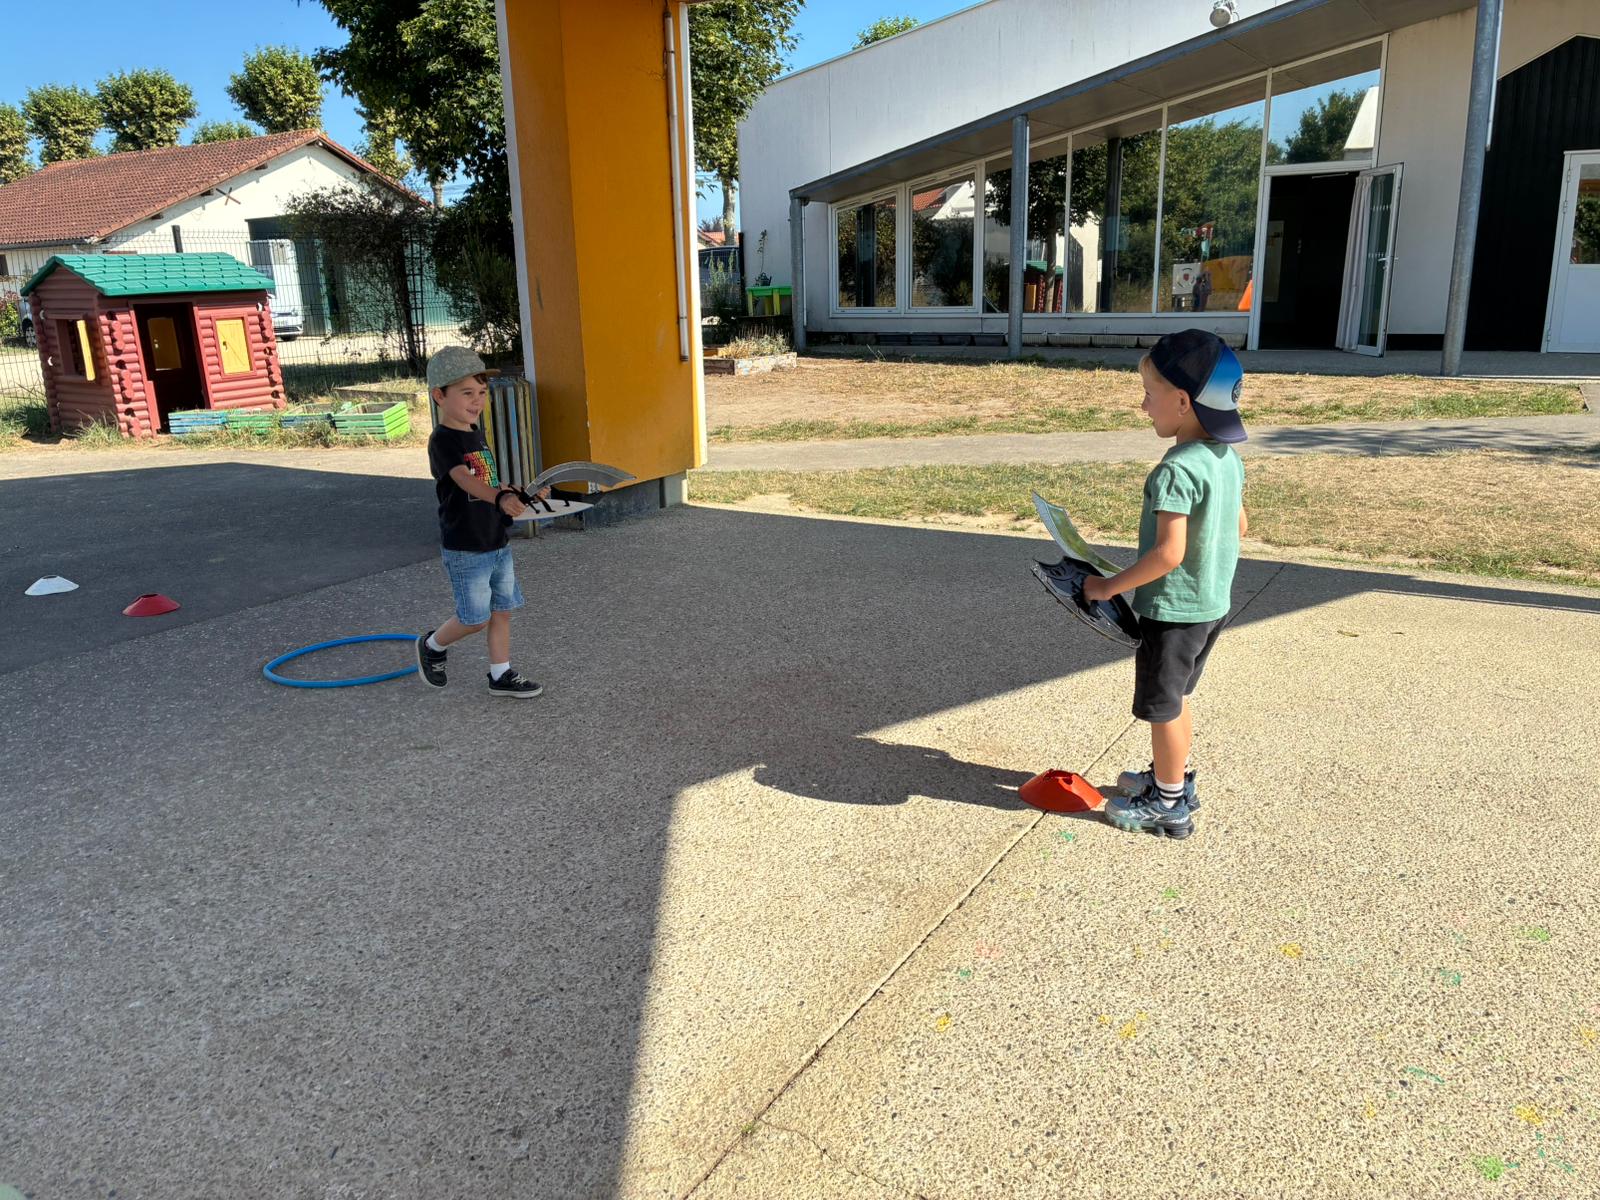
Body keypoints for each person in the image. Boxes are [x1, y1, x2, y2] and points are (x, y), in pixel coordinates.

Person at [1082, 330, 1248, 839]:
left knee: (1163, 707)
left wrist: (1108, 587)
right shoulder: (1227, 458)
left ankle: (1168, 804)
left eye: (1149, 394)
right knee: (1177, 699)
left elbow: (1168, 554)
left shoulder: (1176, 470)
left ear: (1181, 401)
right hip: (1210, 604)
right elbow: (1240, 526)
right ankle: (1171, 778)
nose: (1143, 405)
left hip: (1173, 612)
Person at [414, 346, 546, 698]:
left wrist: (520, 493)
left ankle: (500, 675)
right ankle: (432, 645)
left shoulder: (475, 433)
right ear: (439, 396)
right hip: (466, 545)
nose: (477, 401)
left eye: (482, 393)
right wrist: (500, 498)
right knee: (474, 619)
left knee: (502, 610)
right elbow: (463, 479)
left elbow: (488, 483)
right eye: (467, 393)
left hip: (496, 540)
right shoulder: (443, 440)